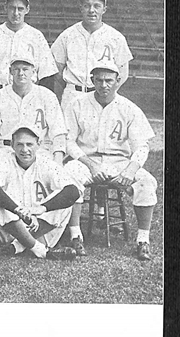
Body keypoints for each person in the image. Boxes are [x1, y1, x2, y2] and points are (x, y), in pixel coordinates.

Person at [63, 60, 158, 261]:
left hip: (119, 162)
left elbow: (141, 145)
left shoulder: (129, 108)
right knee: (69, 175)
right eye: (99, 80)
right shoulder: (77, 104)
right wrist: (90, 164)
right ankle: (75, 235)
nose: (103, 85)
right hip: (87, 160)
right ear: (92, 81)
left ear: (118, 81)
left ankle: (143, 240)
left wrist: (130, 170)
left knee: (146, 182)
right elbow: (68, 142)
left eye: (108, 80)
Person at [0, 126, 80, 261]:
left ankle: (17, 247)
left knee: (65, 203)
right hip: (11, 230)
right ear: (12, 145)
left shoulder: (47, 164)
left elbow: (72, 191)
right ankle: (40, 250)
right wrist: (17, 210)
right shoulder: (4, 161)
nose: (25, 150)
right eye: (20, 144)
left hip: (41, 230)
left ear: (38, 145)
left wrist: (39, 209)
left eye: (29, 144)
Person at [51, 0, 133, 114]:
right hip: (73, 94)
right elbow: (57, 70)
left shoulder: (116, 37)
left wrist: (106, 93)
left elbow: (123, 73)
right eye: (87, 5)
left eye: (97, 6)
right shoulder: (67, 35)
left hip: (101, 96)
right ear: (81, 8)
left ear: (104, 9)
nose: (91, 10)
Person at [0, 52, 68, 171]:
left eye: (25, 69)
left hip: (39, 151)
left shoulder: (47, 96)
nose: (21, 73)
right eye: (16, 69)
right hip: (5, 150)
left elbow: (58, 132)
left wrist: (58, 160)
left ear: (33, 71)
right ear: (10, 71)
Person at [0, 0, 58, 91]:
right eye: (12, 8)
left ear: (27, 9)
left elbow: (47, 75)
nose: (16, 13)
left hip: (26, 93)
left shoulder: (36, 36)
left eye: (20, 9)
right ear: (5, 8)